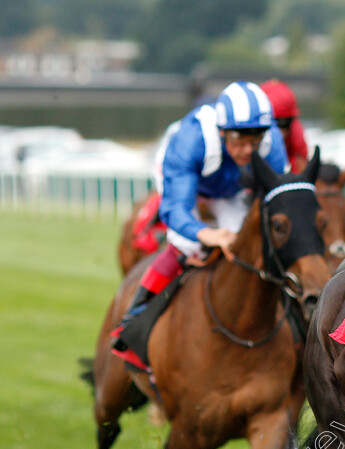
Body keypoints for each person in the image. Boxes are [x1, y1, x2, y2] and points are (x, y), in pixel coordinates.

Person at [112, 80, 289, 358]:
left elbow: (279, 201)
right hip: (188, 186)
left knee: (250, 244)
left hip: (229, 187)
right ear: (221, 132)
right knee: (187, 244)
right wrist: (209, 234)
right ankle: (136, 318)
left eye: (255, 139)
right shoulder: (191, 140)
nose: (247, 149)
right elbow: (175, 211)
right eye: (238, 139)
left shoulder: (273, 143)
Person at [260, 79, 309, 173]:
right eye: (273, 123)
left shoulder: (296, 139)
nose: (278, 132)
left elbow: (301, 165)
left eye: (284, 122)